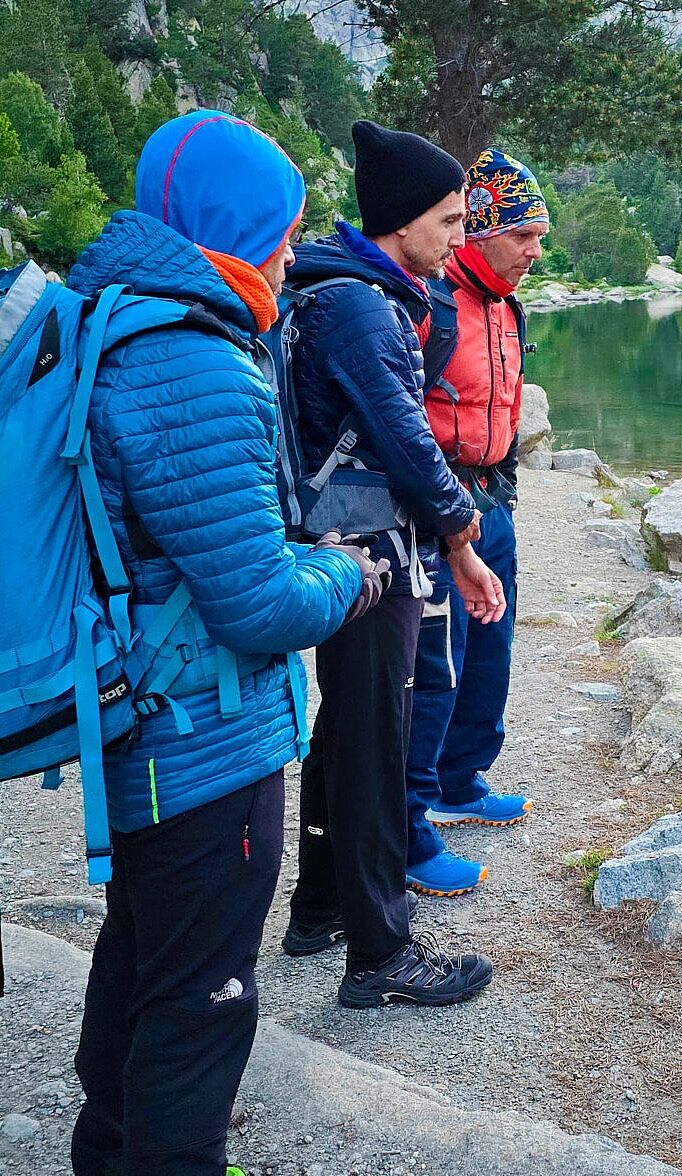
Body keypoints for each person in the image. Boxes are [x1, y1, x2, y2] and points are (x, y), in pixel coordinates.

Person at [65, 111, 381, 1176]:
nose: (293, 251)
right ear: (235, 228)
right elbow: (257, 608)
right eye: (283, 230)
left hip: (135, 727)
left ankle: (104, 1148)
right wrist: (348, 571)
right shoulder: (194, 360)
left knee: (144, 955)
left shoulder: (116, 320)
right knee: (204, 1000)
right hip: (203, 744)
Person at [281, 121, 504, 1005]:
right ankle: (381, 957)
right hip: (369, 557)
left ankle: (320, 907)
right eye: (450, 220)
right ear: (404, 219)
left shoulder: (335, 292)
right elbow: (406, 443)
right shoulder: (365, 307)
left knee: (344, 734)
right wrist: (461, 534)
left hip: (343, 545)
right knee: (374, 742)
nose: (459, 236)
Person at [404, 149, 549, 897]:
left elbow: (507, 402)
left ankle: (461, 780)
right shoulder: (430, 303)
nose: (535, 250)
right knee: (436, 664)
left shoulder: (504, 305)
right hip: (436, 513)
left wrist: (509, 488)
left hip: (491, 502)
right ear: (480, 231)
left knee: (491, 650)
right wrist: (446, 516)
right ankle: (414, 811)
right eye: (523, 234)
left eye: (539, 236)